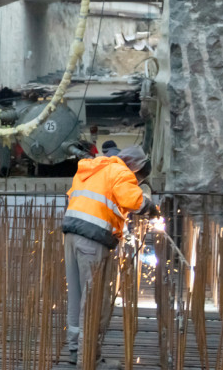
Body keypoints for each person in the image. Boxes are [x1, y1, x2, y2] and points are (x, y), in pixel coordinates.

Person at [62, 145, 159, 367]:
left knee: (77, 297)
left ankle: (77, 351)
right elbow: (132, 200)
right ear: (134, 167)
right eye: (139, 178)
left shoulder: (92, 169)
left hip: (71, 236)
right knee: (95, 301)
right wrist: (151, 209)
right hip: (93, 241)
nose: (137, 181)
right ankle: (90, 361)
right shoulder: (121, 171)